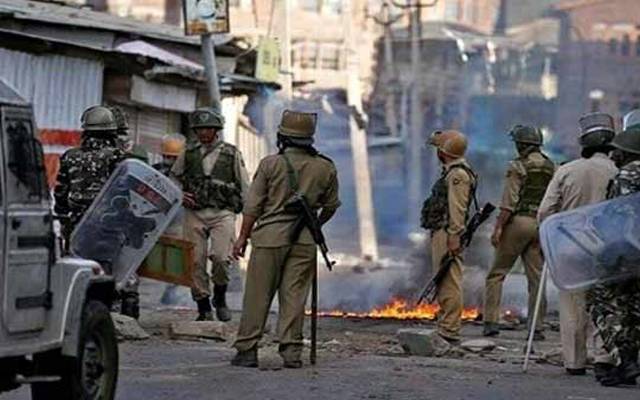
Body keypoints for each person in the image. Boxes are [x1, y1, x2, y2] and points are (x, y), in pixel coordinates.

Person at [231, 110, 340, 368]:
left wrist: (242, 237)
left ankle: (247, 350)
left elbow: (252, 207)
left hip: (269, 238)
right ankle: (291, 352)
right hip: (304, 241)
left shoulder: (270, 164)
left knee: (258, 296)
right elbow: (331, 206)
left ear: (283, 137)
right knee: (295, 296)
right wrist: (314, 225)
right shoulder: (325, 166)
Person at [538, 112, 618, 376]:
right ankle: (604, 357)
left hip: (571, 247)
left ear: (584, 144)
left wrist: (549, 239)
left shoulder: (567, 170)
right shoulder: (617, 171)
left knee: (573, 305)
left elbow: (546, 211)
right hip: (608, 248)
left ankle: (574, 361)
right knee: (606, 304)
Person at [171, 108, 250, 322]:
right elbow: (173, 178)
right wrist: (179, 194)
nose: (204, 133)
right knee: (194, 262)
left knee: (221, 258)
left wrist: (251, 216)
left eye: (208, 128)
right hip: (194, 213)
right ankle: (203, 306)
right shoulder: (188, 152)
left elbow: (245, 185)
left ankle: (220, 297)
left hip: (222, 212)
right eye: (200, 129)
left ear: (216, 130)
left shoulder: (231, 154)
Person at [483, 125, 555, 339]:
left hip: (519, 222)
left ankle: (491, 322)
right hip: (541, 224)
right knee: (536, 279)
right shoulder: (553, 167)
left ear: (522, 145)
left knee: (497, 274)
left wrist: (498, 228)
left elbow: (508, 203)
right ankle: (536, 328)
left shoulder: (517, 166)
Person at [587, 111, 640, 387]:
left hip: (626, 252)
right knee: (633, 309)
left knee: (602, 303)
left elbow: (622, 215)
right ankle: (625, 365)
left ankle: (625, 361)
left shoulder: (630, 173)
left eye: (618, 151)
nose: (614, 156)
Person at [421, 130, 477, 343]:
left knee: (449, 281)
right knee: (444, 278)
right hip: (442, 230)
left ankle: (449, 329)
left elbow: (457, 208)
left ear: (444, 152)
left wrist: (454, 235)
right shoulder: (452, 172)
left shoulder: (457, 175)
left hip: (447, 232)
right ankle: (446, 323)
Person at [54, 105, 125, 248]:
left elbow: (61, 193)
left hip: (77, 225)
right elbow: (123, 193)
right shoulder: (117, 156)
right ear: (112, 132)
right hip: (107, 226)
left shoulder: (70, 156)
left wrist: (63, 219)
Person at [154, 134, 186, 305]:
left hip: (179, 223)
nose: (169, 161)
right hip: (157, 222)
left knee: (176, 256)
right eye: (166, 157)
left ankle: (173, 293)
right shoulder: (155, 172)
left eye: (173, 158)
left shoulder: (190, 174)